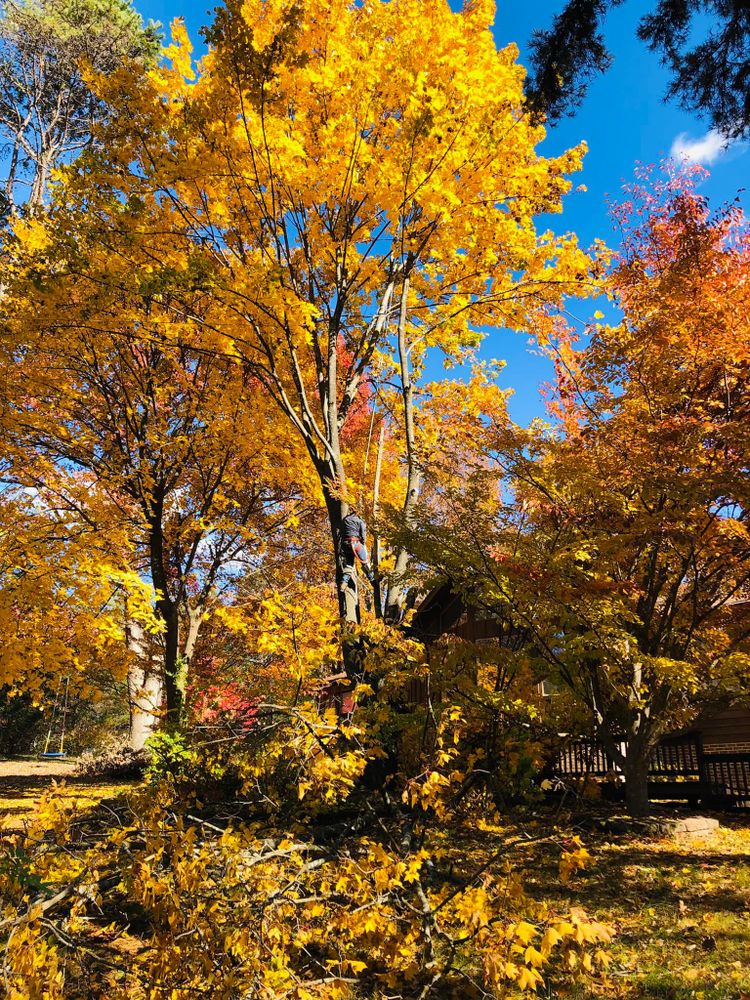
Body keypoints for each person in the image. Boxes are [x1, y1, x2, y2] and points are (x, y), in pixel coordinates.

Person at [340, 509, 374, 590]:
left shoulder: (345, 520)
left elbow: (342, 532)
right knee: (365, 562)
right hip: (356, 545)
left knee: (349, 565)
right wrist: (363, 542)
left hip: (346, 545)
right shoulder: (360, 521)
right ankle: (373, 580)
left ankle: (344, 583)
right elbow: (363, 536)